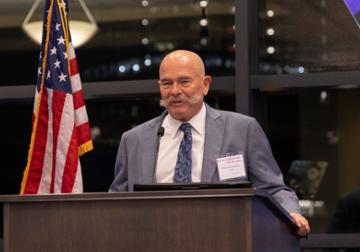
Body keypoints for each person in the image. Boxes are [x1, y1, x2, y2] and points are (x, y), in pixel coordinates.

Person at [109, 49, 310, 236]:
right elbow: (115, 202)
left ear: (205, 84)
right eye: (167, 83)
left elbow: (273, 189)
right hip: (153, 240)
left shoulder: (242, 130)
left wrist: (291, 213)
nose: (175, 91)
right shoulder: (133, 140)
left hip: (223, 238)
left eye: (184, 82)